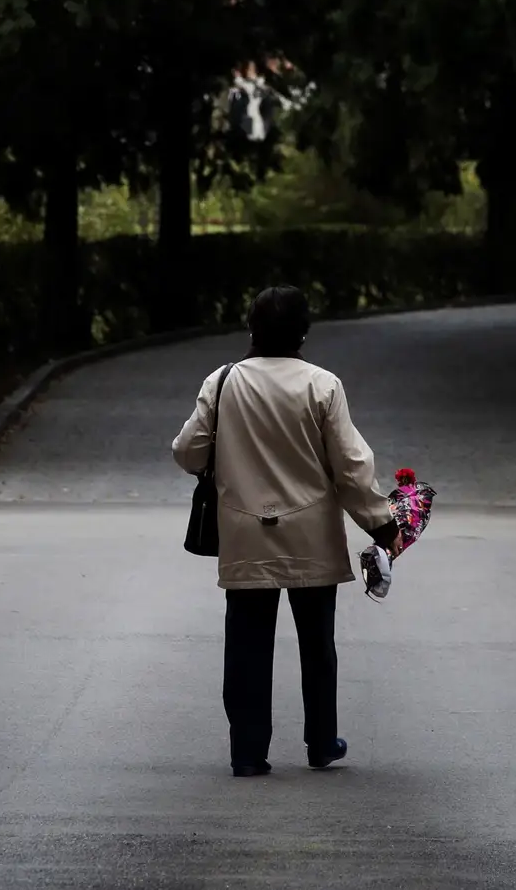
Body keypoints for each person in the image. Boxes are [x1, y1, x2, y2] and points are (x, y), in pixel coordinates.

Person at [171, 286, 400, 778]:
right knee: (317, 646)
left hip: (245, 533)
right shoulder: (322, 386)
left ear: (250, 327)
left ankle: (248, 753)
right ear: (303, 332)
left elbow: (188, 451)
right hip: (311, 535)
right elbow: (352, 467)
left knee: (247, 647)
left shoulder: (223, 382)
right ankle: (321, 743)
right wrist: (381, 525)